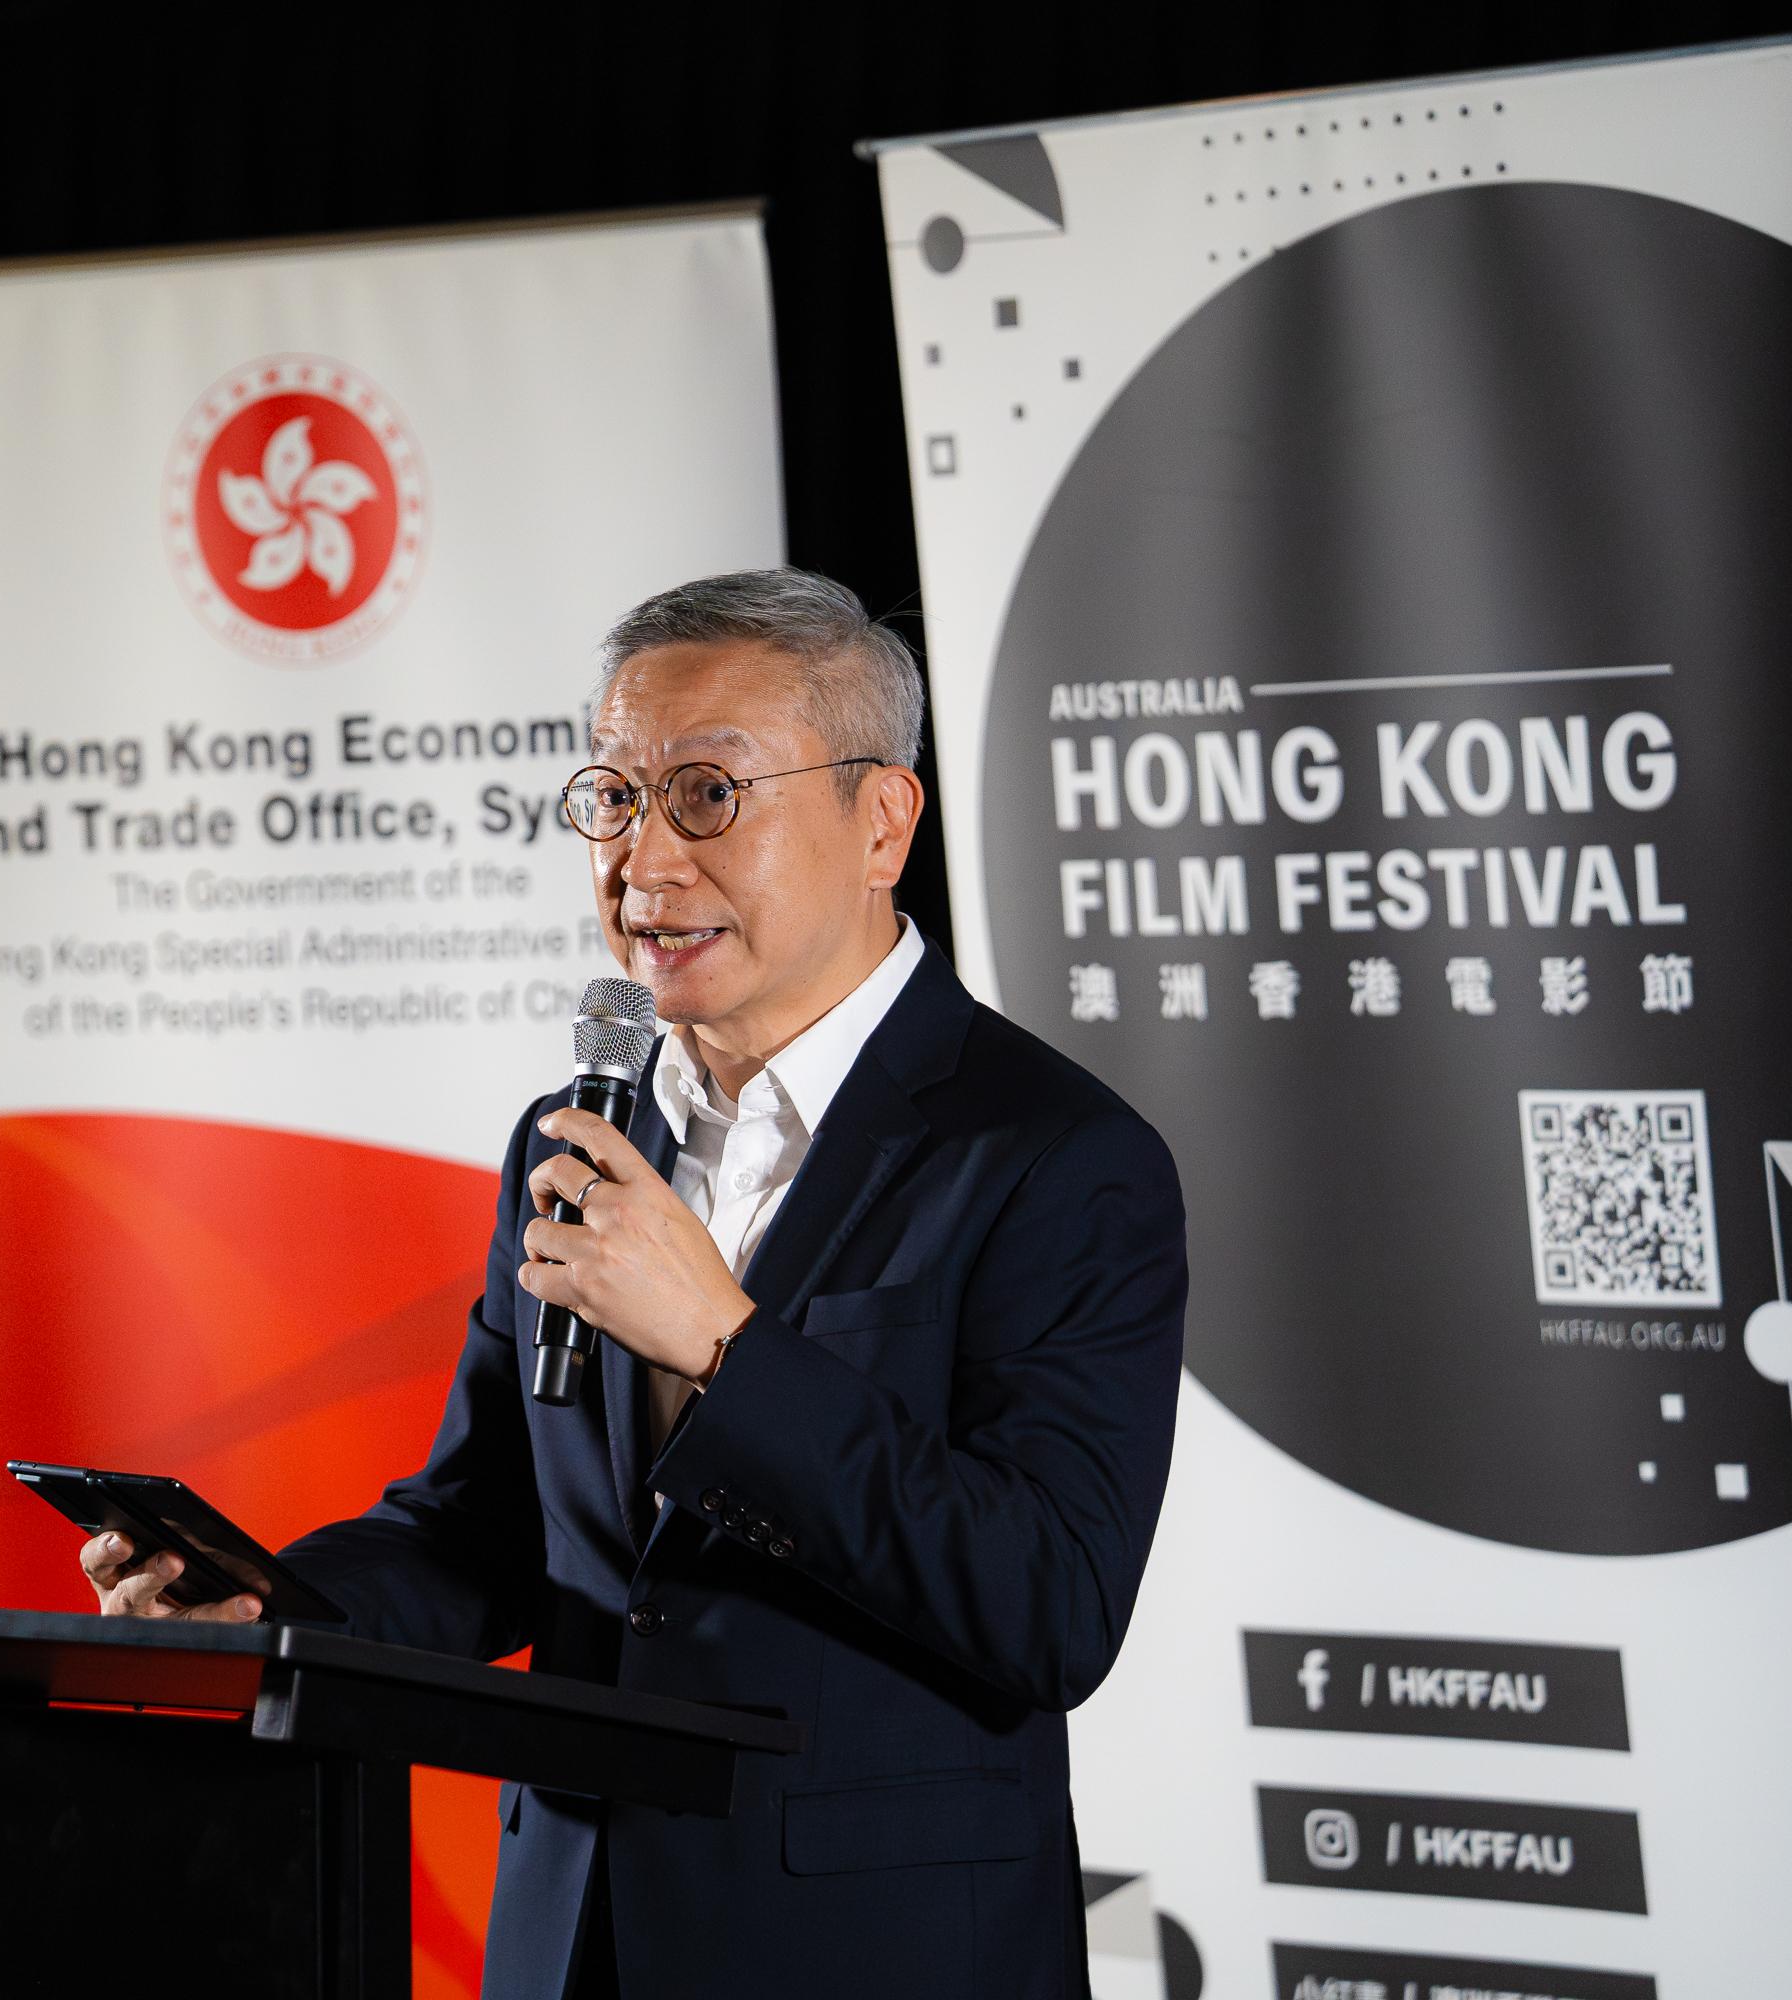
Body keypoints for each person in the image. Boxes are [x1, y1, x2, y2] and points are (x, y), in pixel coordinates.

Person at [82, 569, 1186, 1999]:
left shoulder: (1054, 1157)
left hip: (874, 1947)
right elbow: (483, 1531)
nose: (642, 863)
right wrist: (271, 1608)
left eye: (709, 798)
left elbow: (1049, 1603)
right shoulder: (584, 1130)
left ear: (881, 824)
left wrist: (728, 1351)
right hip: (573, 1932)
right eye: (611, 797)